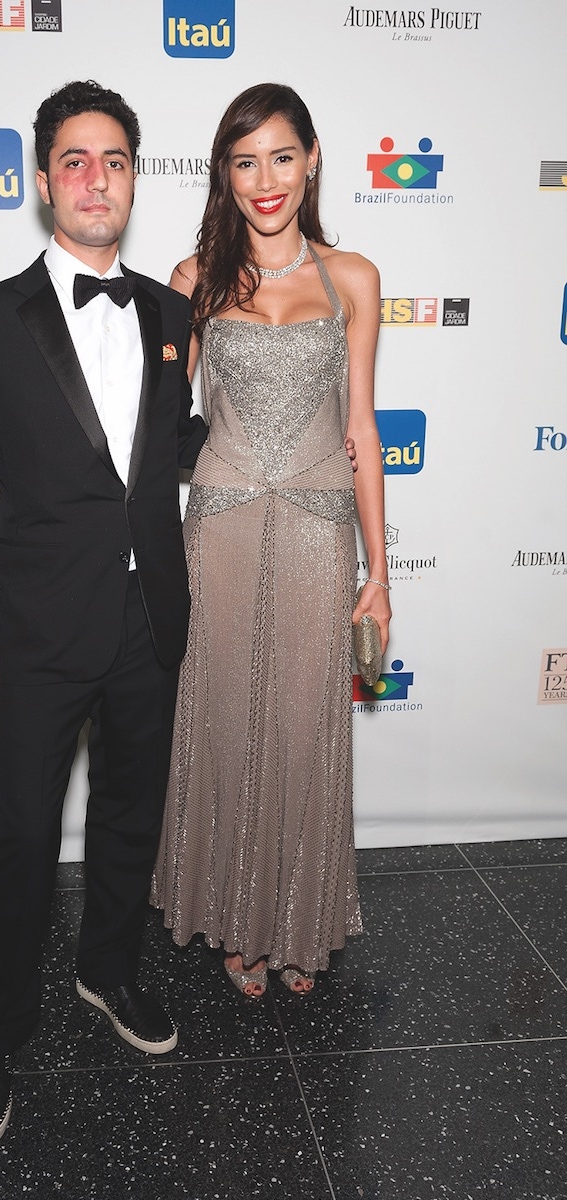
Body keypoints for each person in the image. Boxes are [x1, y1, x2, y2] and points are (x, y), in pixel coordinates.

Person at [0, 80, 208, 1148]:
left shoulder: (170, 313)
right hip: (38, 633)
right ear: (43, 180)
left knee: (130, 818)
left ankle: (109, 971)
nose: (98, 179)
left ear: (136, 176)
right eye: (76, 160)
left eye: (117, 159)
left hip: (152, 617)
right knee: (22, 841)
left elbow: (169, 448)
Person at [151, 83, 391, 999]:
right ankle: (235, 923)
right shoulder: (194, 281)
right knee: (221, 722)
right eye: (245, 161)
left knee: (302, 727)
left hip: (319, 528)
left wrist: (380, 572)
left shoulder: (355, 277)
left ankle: (298, 919)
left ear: (313, 159)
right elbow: (162, 424)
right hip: (218, 526)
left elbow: (362, 430)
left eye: (282, 157)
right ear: (225, 173)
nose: (265, 179)